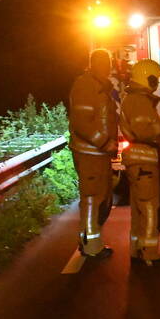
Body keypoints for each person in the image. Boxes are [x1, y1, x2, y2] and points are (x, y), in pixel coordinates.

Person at [120, 59, 160, 268]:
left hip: (138, 162)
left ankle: (137, 251)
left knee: (139, 210)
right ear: (147, 79)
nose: (157, 84)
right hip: (144, 162)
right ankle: (150, 254)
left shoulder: (134, 99)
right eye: (155, 80)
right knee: (150, 208)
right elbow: (145, 131)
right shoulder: (139, 101)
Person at [69, 48, 118, 258]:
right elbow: (81, 123)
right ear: (94, 64)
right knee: (92, 200)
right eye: (103, 62)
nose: (107, 67)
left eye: (108, 62)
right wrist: (104, 142)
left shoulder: (99, 87)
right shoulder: (86, 86)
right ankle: (90, 246)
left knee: (101, 199)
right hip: (90, 154)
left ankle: (90, 242)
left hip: (99, 155)